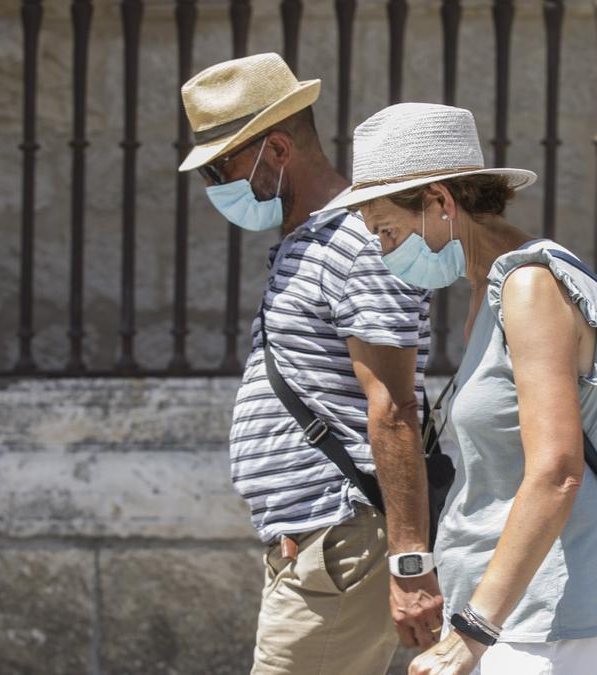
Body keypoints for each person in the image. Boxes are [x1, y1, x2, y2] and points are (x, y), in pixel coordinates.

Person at [323, 102, 597, 675]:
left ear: (442, 203)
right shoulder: (491, 291)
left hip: (548, 618)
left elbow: (556, 471)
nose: (383, 250)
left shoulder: (529, 286)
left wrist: (472, 634)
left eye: (389, 230)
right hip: (512, 613)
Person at [177, 55, 444, 675]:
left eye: (221, 167)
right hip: (321, 544)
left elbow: (395, 405)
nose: (215, 186)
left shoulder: (354, 244)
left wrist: (410, 563)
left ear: (276, 150)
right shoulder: (313, 244)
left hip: (342, 536)